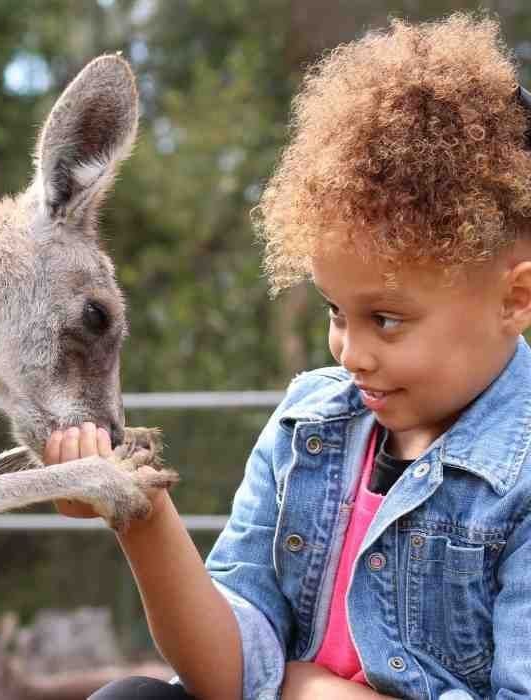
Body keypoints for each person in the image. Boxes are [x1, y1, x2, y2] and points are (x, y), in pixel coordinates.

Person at [44, 13, 531, 700]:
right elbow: (228, 676)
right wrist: (140, 513)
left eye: (386, 320)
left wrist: (310, 690)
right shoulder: (311, 425)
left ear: (515, 300)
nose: (351, 353)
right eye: (336, 312)